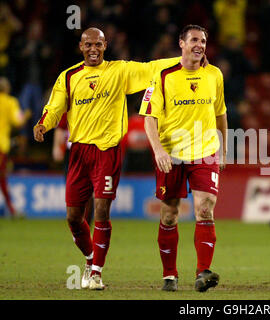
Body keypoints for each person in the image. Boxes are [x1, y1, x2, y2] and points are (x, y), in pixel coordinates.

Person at [33, 27, 190, 290]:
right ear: (81, 47)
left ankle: (96, 273)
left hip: (107, 150)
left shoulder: (120, 71)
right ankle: (90, 257)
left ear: (105, 46)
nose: (93, 49)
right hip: (79, 151)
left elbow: (152, 68)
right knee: (73, 216)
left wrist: (186, 58)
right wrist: (43, 125)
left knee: (102, 210)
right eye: (88, 45)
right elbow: (55, 106)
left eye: (98, 44)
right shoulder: (69, 76)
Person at [139, 25, 227, 292]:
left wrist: (222, 149)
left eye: (203, 40)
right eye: (194, 40)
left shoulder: (214, 74)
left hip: (205, 151)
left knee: (205, 208)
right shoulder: (163, 76)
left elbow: (221, 113)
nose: (199, 45)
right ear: (181, 43)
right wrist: (159, 151)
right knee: (169, 214)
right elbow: (149, 119)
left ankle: (203, 272)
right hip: (171, 154)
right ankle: (170, 275)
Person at [52, 113, 94, 226]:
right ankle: (78, 223)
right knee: (73, 189)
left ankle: (85, 225)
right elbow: (61, 127)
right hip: (72, 152)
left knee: (89, 192)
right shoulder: (71, 104)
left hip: (91, 149)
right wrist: (56, 147)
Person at [0, 77, 28, 217]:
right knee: (2, 178)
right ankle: (12, 210)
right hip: (1, 146)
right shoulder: (10, 102)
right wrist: (27, 115)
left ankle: (11, 210)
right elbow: (18, 122)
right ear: (7, 88)